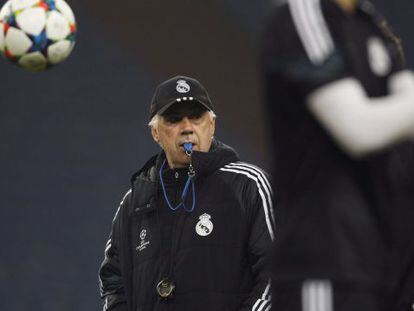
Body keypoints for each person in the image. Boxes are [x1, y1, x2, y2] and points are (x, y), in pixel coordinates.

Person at [261, 0, 414, 310]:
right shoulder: (299, 17)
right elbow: (358, 129)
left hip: (379, 271)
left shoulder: (370, 24)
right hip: (324, 267)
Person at [98, 75, 275, 311]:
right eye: (173, 119)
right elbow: (113, 282)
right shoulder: (135, 202)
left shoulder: (248, 186)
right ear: (155, 133)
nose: (187, 128)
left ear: (212, 125)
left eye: (196, 117)